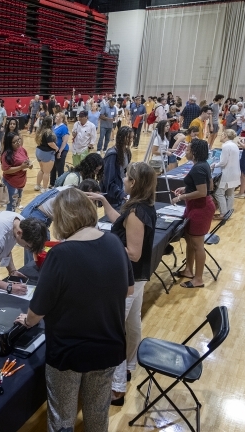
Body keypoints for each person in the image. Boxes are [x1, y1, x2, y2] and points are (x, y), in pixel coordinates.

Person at [15, 188, 134, 432]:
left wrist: (26, 321)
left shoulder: (60, 254)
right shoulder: (114, 242)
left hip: (68, 351)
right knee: (97, 413)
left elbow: (37, 312)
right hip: (108, 345)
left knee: (62, 418)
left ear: (61, 218)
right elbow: (128, 291)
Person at [86, 162, 157, 406]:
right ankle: (128, 366)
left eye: (127, 176)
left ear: (134, 182)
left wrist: (104, 241)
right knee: (132, 323)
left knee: (115, 331)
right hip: (137, 278)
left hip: (128, 277)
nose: (124, 179)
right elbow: (121, 223)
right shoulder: (141, 206)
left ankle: (116, 389)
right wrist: (104, 202)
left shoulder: (137, 212)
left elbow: (133, 252)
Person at [172, 139, 215, 288]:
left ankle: (198, 279)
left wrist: (181, 197)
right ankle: (188, 270)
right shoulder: (203, 165)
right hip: (196, 206)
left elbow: (203, 192)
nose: (186, 151)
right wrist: (187, 189)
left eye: (188, 149)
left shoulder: (198, 168)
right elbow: (210, 185)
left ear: (195, 152)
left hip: (200, 209)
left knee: (197, 244)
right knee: (189, 240)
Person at [211, 129, 240, 219]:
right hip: (235, 172)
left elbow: (223, 162)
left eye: (222, 134)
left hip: (228, 173)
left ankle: (223, 213)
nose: (221, 136)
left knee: (219, 193)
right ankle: (228, 212)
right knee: (230, 193)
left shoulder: (226, 146)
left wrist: (214, 165)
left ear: (225, 136)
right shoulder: (235, 145)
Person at [102, 126, 133, 209]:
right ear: (121, 137)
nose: (131, 140)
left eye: (132, 137)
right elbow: (108, 180)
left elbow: (125, 173)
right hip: (114, 197)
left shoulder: (127, 152)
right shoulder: (112, 155)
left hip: (123, 193)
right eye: (129, 137)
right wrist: (120, 194)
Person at [1, 133, 31, 211]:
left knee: (17, 202)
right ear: (9, 144)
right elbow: (6, 170)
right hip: (11, 183)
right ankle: (10, 221)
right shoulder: (6, 154)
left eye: (19, 140)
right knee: (11, 206)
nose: (18, 143)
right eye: (15, 142)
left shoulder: (22, 149)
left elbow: (27, 159)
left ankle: (14, 218)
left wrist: (29, 164)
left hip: (21, 181)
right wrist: (21, 167)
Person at [34, 117, 59, 193]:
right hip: (46, 152)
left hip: (39, 151)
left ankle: (37, 185)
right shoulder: (48, 131)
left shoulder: (40, 130)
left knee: (42, 170)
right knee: (47, 172)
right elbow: (50, 143)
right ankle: (44, 189)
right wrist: (56, 148)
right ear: (50, 123)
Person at [50, 113, 70, 187]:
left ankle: (60, 185)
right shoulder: (54, 126)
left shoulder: (64, 127)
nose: (55, 117)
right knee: (53, 167)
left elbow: (64, 141)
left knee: (60, 167)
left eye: (58, 116)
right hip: (54, 150)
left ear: (61, 119)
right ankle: (52, 183)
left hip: (62, 150)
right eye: (56, 116)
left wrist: (60, 152)